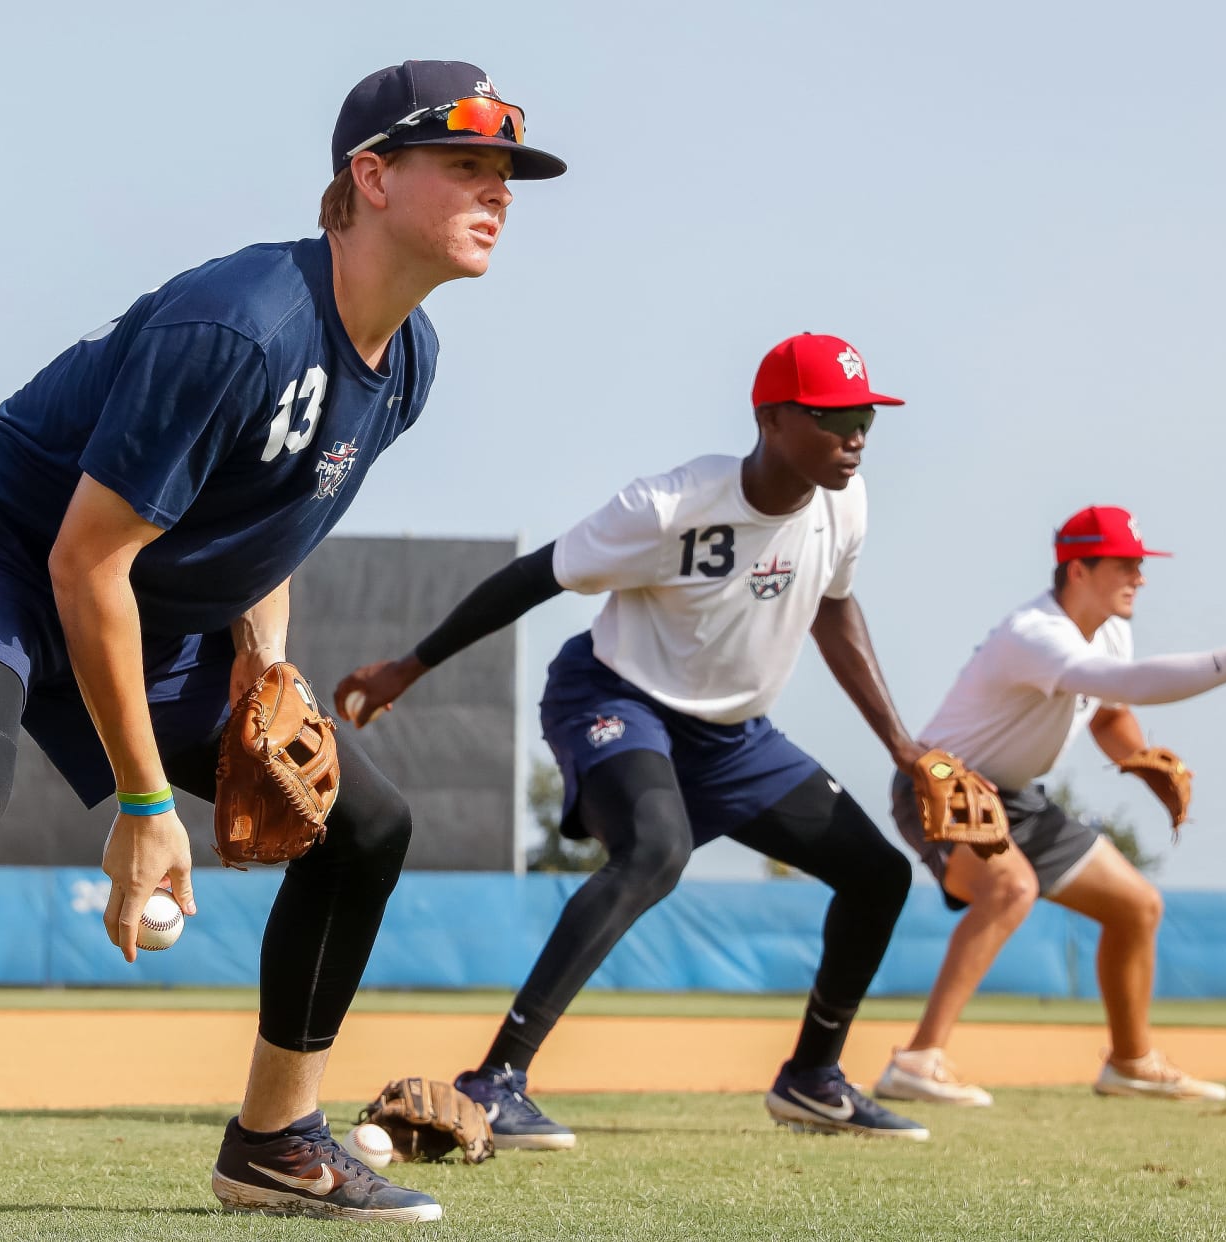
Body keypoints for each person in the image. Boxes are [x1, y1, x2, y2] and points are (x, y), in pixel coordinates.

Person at [0, 60, 567, 1238]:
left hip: (147, 599)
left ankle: (276, 1142)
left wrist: (262, 657)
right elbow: (82, 564)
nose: (500, 193)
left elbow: (272, 516)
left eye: (508, 173)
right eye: (468, 164)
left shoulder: (409, 363)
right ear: (371, 178)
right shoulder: (242, 324)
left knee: (366, 824)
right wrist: (143, 805)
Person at [337, 333, 948, 1147]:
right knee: (657, 851)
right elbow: (534, 577)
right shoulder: (670, 507)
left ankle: (812, 1079)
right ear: (770, 418)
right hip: (617, 696)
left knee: (877, 875)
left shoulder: (847, 502)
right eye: (833, 416)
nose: (857, 434)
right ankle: (496, 1081)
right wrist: (408, 670)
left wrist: (902, 746)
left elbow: (835, 609)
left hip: (736, 738)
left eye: (865, 415)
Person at [872, 506, 1226, 1107]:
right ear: (1079, 568)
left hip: (1019, 799)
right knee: (1010, 889)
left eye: (1140, 565)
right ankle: (918, 1060)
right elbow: (1133, 683)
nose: (1139, 577)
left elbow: (1112, 710)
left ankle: (1132, 1062)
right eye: (1126, 564)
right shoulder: (1034, 633)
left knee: (1136, 907)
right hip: (943, 787)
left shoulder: (1110, 628)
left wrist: (1138, 758)